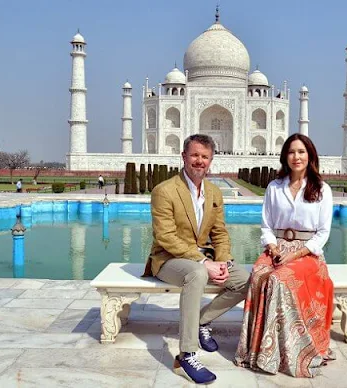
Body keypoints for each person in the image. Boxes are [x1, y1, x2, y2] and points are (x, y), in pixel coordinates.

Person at [143, 134, 250, 384]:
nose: (199, 161)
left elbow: (220, 232)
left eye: (204, 156)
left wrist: (222, 262)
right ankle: (187, 354)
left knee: (247, 281)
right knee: (197, 273)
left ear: (211, 160)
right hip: (169, 259)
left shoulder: (213, 192)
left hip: (204, 256)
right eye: (194, 155)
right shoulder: (165, 191)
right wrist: (204, 263)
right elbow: (165, 237)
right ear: (183, 157)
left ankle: (201, 321)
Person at [234, 133, 334, 378]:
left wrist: (296, 253)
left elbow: (323, 233)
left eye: (301, 152)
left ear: (310, 155)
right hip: (277, 248)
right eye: (291, 152)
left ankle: (288, 351)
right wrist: (274, 247)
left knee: (278, 280)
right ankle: (257, 350)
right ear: (285, 156)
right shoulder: (275, 187)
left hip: (307, 254)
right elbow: (266, 225)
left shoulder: (321, 189)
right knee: (258, 275)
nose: (296, 157)